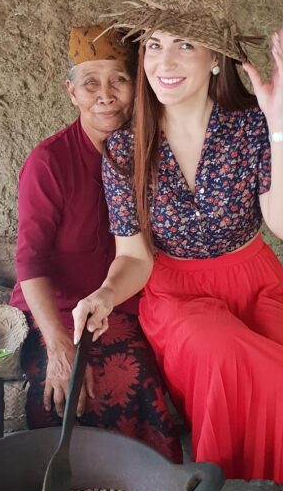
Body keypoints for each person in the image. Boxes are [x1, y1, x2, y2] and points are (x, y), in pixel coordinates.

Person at [72, 0, 283, 483]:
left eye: (184, 44)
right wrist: (105, 294)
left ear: (215, 58)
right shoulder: (126, 148)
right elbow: (134, 256)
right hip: (178, 295)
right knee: (234, 358)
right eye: (153, 45)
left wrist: (275, 116)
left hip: (256, 281)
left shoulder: (251, 129)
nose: (163, 62)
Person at [9, 24, 182, 462]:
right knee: (60, 389)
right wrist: (59, 345)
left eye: (118, 80)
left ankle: (143, 489)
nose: (105, 95)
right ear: (72, 93)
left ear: (135, 87)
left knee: (131, 375)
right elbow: (30, 264)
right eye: (91, 83)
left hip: (120, 306)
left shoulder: (153, 152)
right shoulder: (49, 162)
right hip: (55, 310)